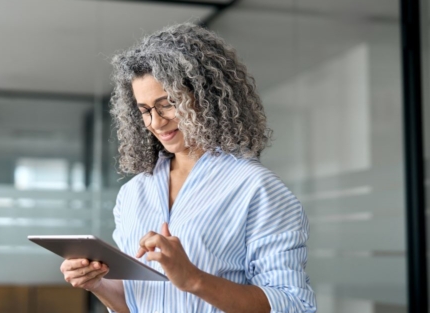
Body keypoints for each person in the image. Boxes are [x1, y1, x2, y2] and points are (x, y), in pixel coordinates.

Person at [60, 23, 317, 313]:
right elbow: (137, 303)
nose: (156, 123)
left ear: (207, 98)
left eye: (167, 104)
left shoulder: (256, 188)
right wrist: (97, 284)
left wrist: (193, 279)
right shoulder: (133, 193)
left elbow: (293, 304)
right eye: (145, 111)